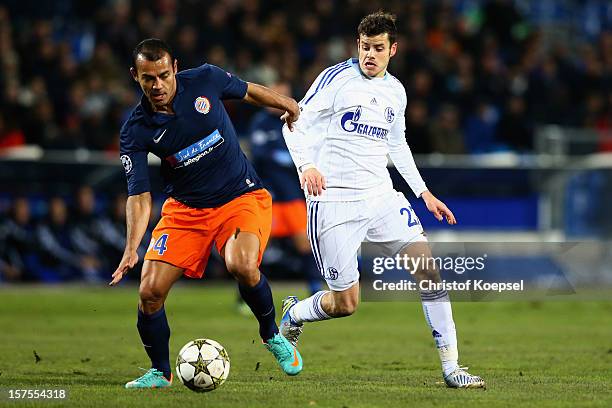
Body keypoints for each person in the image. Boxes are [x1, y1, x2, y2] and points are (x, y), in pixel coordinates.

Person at [280, 12, 485, 388]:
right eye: (363, 47)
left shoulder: (396, 91)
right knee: (346, 304)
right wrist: (307, 165)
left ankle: (452, 367)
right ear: (356, 45)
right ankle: (294, 314)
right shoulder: (336, 79)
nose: (369, 55)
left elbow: (397, 144)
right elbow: (292, 121)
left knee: (429, 273)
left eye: (377, 48)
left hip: (381, 196)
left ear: (393, 49)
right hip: (333, 201)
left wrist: (423, 193)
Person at [109, 38, 303, 389]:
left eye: (164, 75)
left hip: (240, 196)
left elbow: (248, 92)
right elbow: (138, 195)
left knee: (242, 265)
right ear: (135, 77)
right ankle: (160, 372)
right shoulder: (135, 128)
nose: (157, 85)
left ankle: (273, 334)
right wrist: (131, 248)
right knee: (149, 292)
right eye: (148, 78)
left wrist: (287, 103)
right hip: (186, 211)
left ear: (176, 68)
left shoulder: (206, 79)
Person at [247, 80, 322, 296]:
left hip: (291, 194)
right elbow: (260, 154)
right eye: (274, 95)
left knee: (304, 244)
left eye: (283, 96)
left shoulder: (298, 122)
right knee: (255, 248)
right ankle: (245, 296)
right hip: (266, 194)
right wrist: (289, 158)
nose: (278, 101)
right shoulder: (260, 123)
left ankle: (315, 290)